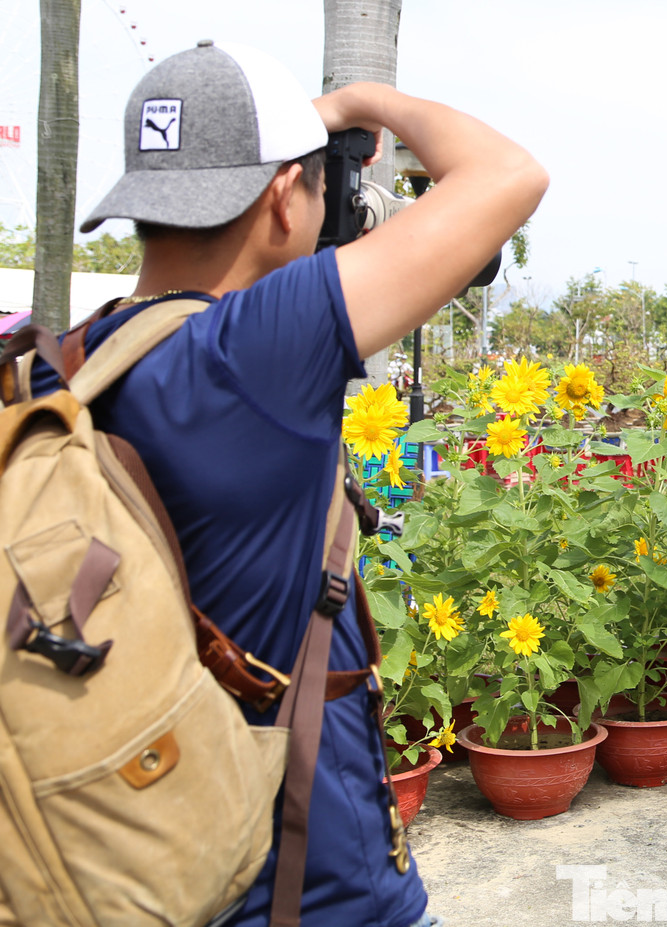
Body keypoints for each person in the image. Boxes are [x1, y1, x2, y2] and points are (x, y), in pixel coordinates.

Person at [30, 41, 547, 926]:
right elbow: (509, 174)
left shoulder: (60, 373)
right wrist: (362, 98)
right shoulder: (252, 351)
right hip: (312, 892)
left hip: (125, 872)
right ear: (281, 199)